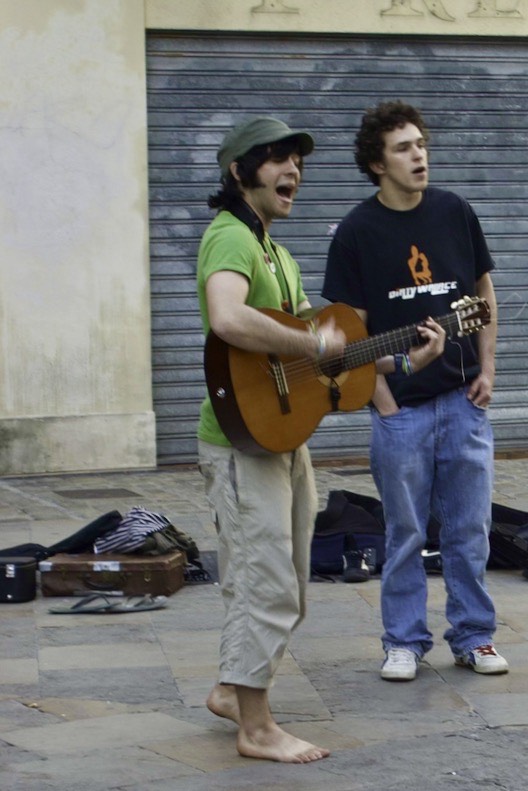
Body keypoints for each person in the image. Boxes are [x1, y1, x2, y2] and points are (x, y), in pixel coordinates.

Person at [195, 117, 443, 762]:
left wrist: (405, 357)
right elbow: (227, 317)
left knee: (289, 583)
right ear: (238, 174)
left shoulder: (276, 251)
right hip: (238, 439)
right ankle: (255, 728)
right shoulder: (230, 238)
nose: (293, 172)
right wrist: (313, 340)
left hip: (279, 434)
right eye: (276, 160)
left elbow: (328, 361)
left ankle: (230, 687)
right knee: (266, 581)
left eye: (297, 162)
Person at [322, 101, 505, 681]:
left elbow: (482, 296)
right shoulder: (356, 232)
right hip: (401, 411)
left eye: (421, 143)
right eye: (403, 148)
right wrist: (384, 400)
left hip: (461, 401)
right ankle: (403, 641)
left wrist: (487, 370)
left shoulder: (454, 211)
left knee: (470, 531)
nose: (419, 155)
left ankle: (474, 636)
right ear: (377, 164)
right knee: (403, 535)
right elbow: (347, 336)